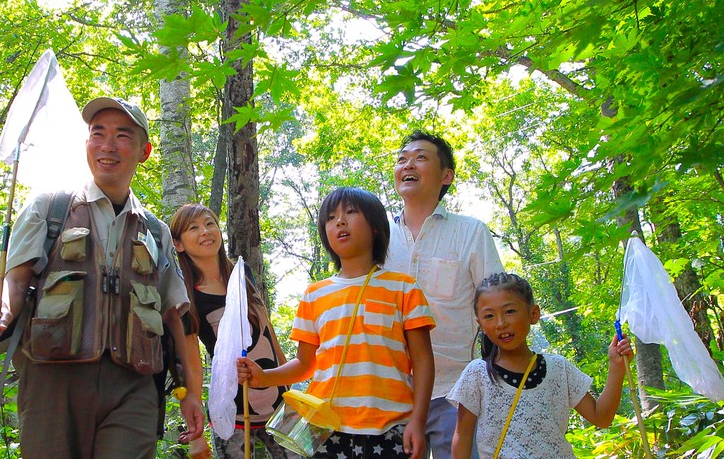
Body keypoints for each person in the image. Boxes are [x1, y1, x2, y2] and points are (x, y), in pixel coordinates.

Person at [0, 96, 204, 459]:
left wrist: (192, 392)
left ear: (144, 151)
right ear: (86, 144)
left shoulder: (157, 232)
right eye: (98, 134)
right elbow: (15, 282)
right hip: (51, 380)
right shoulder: (48, 209)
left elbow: (175, 317)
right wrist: (1, 312)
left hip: (133, 385)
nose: (107, 146)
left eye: (122, 136)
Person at [237, 187, 436, 458]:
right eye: (330, 217)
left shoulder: (404, 288)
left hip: (392, 429)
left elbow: (423, 360)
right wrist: (264, 378)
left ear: (376, 227)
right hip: (325, 430)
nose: (340, 221)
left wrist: (418, 420)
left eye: (351, 212)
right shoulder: (314, 294)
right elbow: (306, 364)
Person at [384, 131, 505, 459]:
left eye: (421, 157)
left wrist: (506, 377)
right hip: (388, 397)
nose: (408, 164)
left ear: (446, 176)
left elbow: (498, 307)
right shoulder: (376, 236)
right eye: (402, 159)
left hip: (457, 394)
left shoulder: (471, 232)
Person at [449, 273, 633, 459]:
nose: (500, 323)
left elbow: (601, 417)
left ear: (533, 314)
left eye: (509, 311)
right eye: (489, 316)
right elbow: (462, 436)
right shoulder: (477, 374)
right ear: (480, 324)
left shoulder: (559, 368)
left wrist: (616, 367)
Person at [170, 203, 292, 459]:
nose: (205, 231)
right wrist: (196, 428)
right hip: (233, 411)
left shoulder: (241, 273)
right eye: (194, 228)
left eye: (210, 223)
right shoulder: (188, 296)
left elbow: (268, 332)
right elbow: (192, 364)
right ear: (179, 244)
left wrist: (289, 387)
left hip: (279, 404)